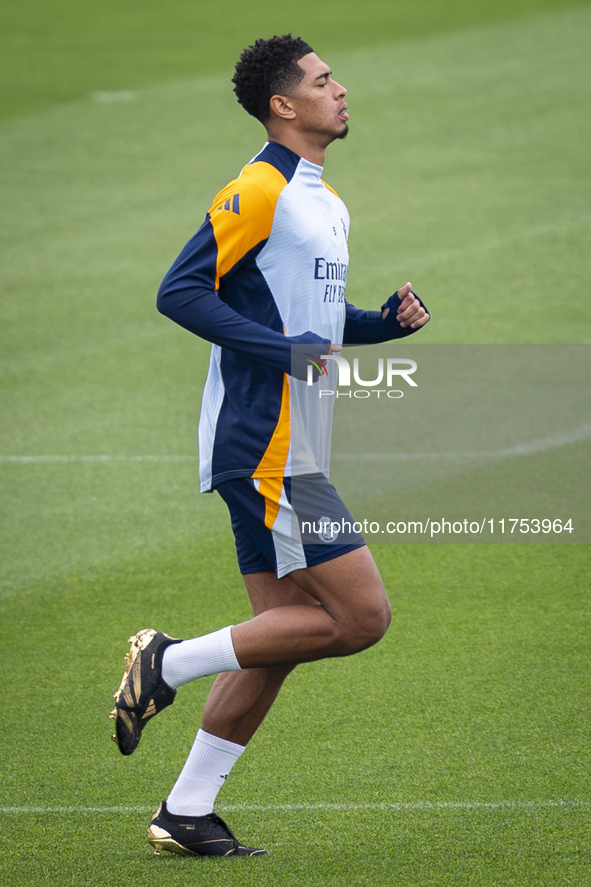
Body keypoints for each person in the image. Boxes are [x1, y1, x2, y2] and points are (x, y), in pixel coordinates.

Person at [110, 34, 430, 859]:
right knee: (360, 617)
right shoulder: (257, 187)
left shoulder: (325, 200)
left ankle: (185, 811)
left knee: (281, 633)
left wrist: (376, 324)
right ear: (283, 105)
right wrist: (279, 352)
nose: (341, 89)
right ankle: (168, 659)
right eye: (323, 81)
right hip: (266, 442)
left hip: (291, 440)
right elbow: (179, 290)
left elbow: (306, 322)